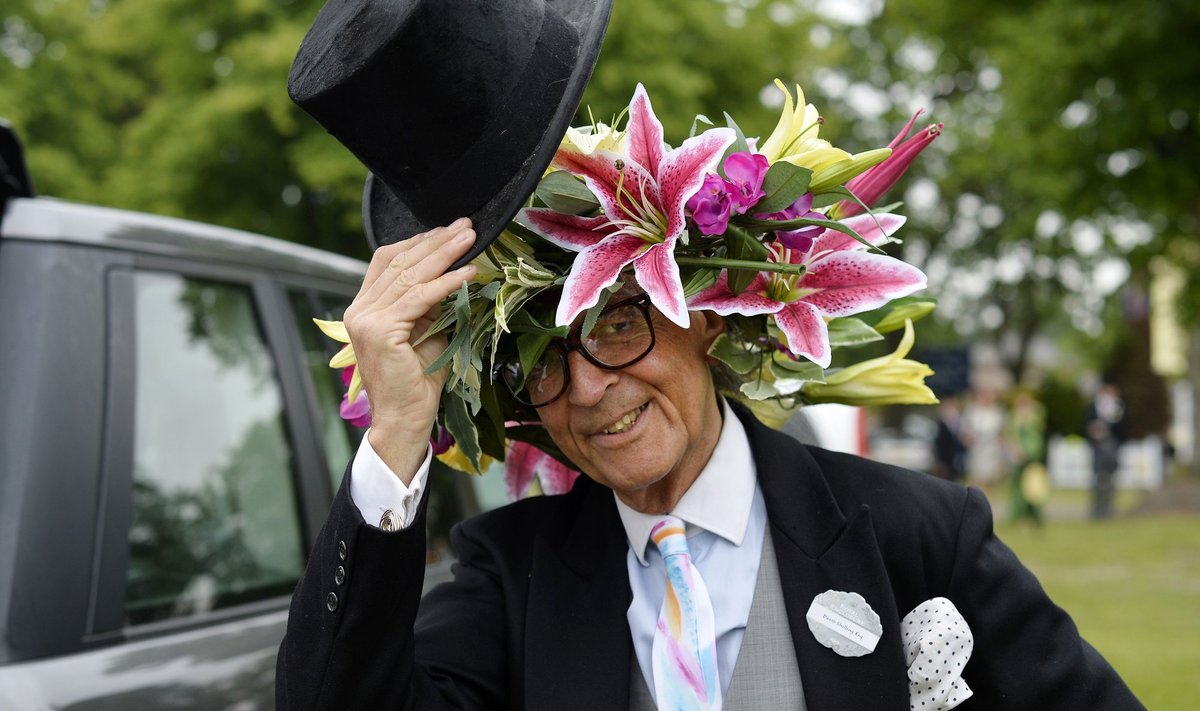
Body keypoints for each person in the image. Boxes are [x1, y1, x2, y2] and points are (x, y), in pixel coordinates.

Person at [277, 1, 1144, 708]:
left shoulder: (919, 536)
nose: (587, 389)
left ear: (710, 316)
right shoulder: (512, 577)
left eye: (619, 325)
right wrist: (396, 429)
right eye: (541, 361)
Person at [1002, 389, 1048, 525]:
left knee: (1034, 486)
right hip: (1019, 457)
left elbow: (1038, 429)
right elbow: (1009, 435)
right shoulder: (1013, 417)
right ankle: (1016, 514)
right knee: (1018, 488)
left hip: (1034, 456)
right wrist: (1016, 450)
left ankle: (1035, 515)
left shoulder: (1036, 414)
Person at [1085, 383, 1127, 520]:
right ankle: (1097, 510)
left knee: (1110, 480)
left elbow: (1123, 429)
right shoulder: (1094, 408)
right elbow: (1085, 424)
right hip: (1098, 447)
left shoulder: (1119, 408)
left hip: (1112, 446)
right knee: (1098, 479)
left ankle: (1108, 509)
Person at [931, 395, 967, 483]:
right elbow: (939, 444)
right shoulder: (941, 423)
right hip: (945, 461)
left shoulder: (960, 420)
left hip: (957, 460)